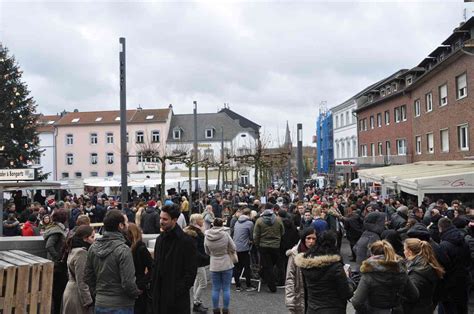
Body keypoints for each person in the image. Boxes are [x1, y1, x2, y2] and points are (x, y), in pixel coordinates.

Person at [84, 210, 141, 314]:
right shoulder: (123, 249)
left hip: (100, 303)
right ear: (120, 225)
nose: (128, 225)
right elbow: (128, 282)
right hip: (121, 305)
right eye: (126, 222)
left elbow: (88, 276)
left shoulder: (93, 247)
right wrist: (136, 293)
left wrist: (97, 293)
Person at [152, 203, 197, 314]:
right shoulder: (160, 240)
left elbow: (191, 272)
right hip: (160, 298)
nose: (161, 221)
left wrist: (177, 291)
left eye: (165, 219)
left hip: (177, 301)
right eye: (161, 218)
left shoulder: (186, 241)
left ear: (175, 220)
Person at [352, 240, 419, 314]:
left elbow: (357, 302)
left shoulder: (369, 275)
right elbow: (414, 295)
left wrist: (366, 311)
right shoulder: (401, 272)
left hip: (374, 309)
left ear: (372, 255)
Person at [294, 231, 354, 313]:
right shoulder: (335, 267)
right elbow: (346, 293)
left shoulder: (307, 265)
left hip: (312, 308)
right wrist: (349, 280)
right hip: (333, 308)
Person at [437, 217, 471, 314]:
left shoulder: (443, 245)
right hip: (463, 280)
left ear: (440, 228)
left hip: (449, 285)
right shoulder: (464, 240)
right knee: (462, 308)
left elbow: (442, 266)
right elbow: (468, 260)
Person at [402, 238, 445, 314]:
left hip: (416, 309)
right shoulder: (426, 263)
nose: (403, 252)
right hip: (426, 306)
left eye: (404, 249)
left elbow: (411, 295)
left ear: (410, 252)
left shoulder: (417, 272)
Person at [204, 218, 236, 314]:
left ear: (213, 224)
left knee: (215, 288)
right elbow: (233, 247)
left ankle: (215, 309)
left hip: (214, 263)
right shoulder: (225, 234)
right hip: (226, 262)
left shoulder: (207, 235)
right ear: (222, 224)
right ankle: (225, 309)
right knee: (226, 288)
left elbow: (206, 251)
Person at [62, 225, 95, 314]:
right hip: (77, 295)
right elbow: (82, 279)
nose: (94, 240)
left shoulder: (73, 249)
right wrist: (88, 301)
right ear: (85, 238)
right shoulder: (82, 252)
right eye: (92, 237)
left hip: (72, 291)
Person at [285, 227, 317, 314]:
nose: (311, 241)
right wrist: (290, 299)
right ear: (304, 238)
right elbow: (290, 277)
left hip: (314, 293)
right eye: (308, 238)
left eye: (313, 238)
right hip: (300, 291)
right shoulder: (295, 253)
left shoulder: (318, 252)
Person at [184, 214, 211, 313]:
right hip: (197, 262)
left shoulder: (193, 231)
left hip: (197, 261)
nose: (203, 220)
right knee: (203, 283)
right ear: (196, 221)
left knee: (198, 281)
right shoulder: (193, 233)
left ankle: (197, 302)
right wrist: (205, 257)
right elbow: (195, 250)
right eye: (201, 219)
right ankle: (196, 302)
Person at [253, 208, 285, 292]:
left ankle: (271, 285)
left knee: (267, 266)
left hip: (263, 246)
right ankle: (267, 278)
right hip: (275, 246)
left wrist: (257, 245)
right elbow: (282, 232)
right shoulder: (278, 220)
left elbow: (256, 235)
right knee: (272, 264)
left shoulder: (259, 221)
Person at [43, 209, 68, 314]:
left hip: (54, 266)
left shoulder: (53, 228)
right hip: (57, 267)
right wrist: (58, 258)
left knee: (56, 294)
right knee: (58, 294)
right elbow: (49, 245)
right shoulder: (57, 230)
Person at [127, 223, 153, 314]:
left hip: (138, 286)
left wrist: (141, 284)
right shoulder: (129, 247)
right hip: (134, 285)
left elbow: (152, 268)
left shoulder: (140, 248)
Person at [232, 208, 256, 292]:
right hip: (244, 248)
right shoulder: (250, 223)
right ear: (249, 215)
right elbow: (252, 236)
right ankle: (248, 285)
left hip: (235, 247)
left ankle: (238, 285)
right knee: (247, 267)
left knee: (237, 266)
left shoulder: (236, 222)